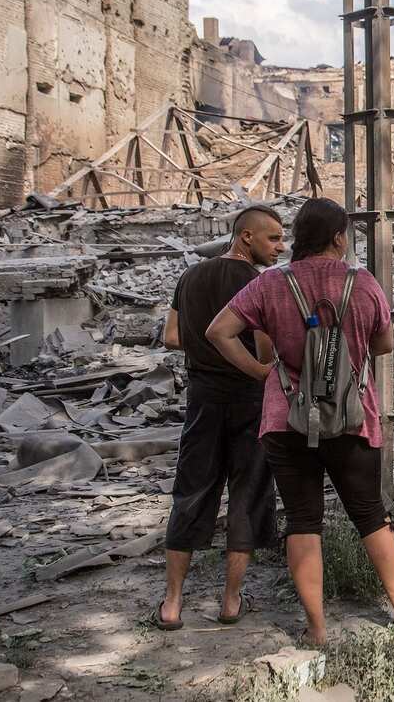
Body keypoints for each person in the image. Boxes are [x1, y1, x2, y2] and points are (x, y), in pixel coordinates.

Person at [205, 197, 394, 645]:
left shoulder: (269, 284)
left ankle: (317, 629)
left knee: (303, 521)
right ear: (339, 237)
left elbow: (217, 331)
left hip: (287, 419)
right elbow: (382, 345)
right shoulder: (363, 283)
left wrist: (260, 371)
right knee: (370, 514)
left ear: (300, 236)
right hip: (351, 417)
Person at [151, 205, 285, 631]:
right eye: (273, 238)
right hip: (249, 400)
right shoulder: (259, 284)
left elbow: (172, 337)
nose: (280, 247)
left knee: (191, 492)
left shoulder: (190, 277)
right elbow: (265, 353)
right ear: (246, 237)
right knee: (248, 496)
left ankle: (172, 604)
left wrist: (205, 351)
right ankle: (230, 601)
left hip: (202, 400)